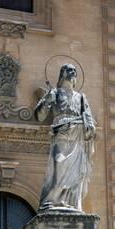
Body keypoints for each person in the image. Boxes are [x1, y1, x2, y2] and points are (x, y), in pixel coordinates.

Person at [34, 64, 96, 212]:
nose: (72, 73)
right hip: (61, 135)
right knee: (58, 166)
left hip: (77, 137)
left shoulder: (81, 98)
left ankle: (72, 204)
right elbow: (40, 116)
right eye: (68, 70)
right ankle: (51, 201)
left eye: (74, 71)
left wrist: (89, 128)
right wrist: (47, 100)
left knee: (75, 174)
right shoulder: (54, 93)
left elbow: (89, 120)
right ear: (61, 75)